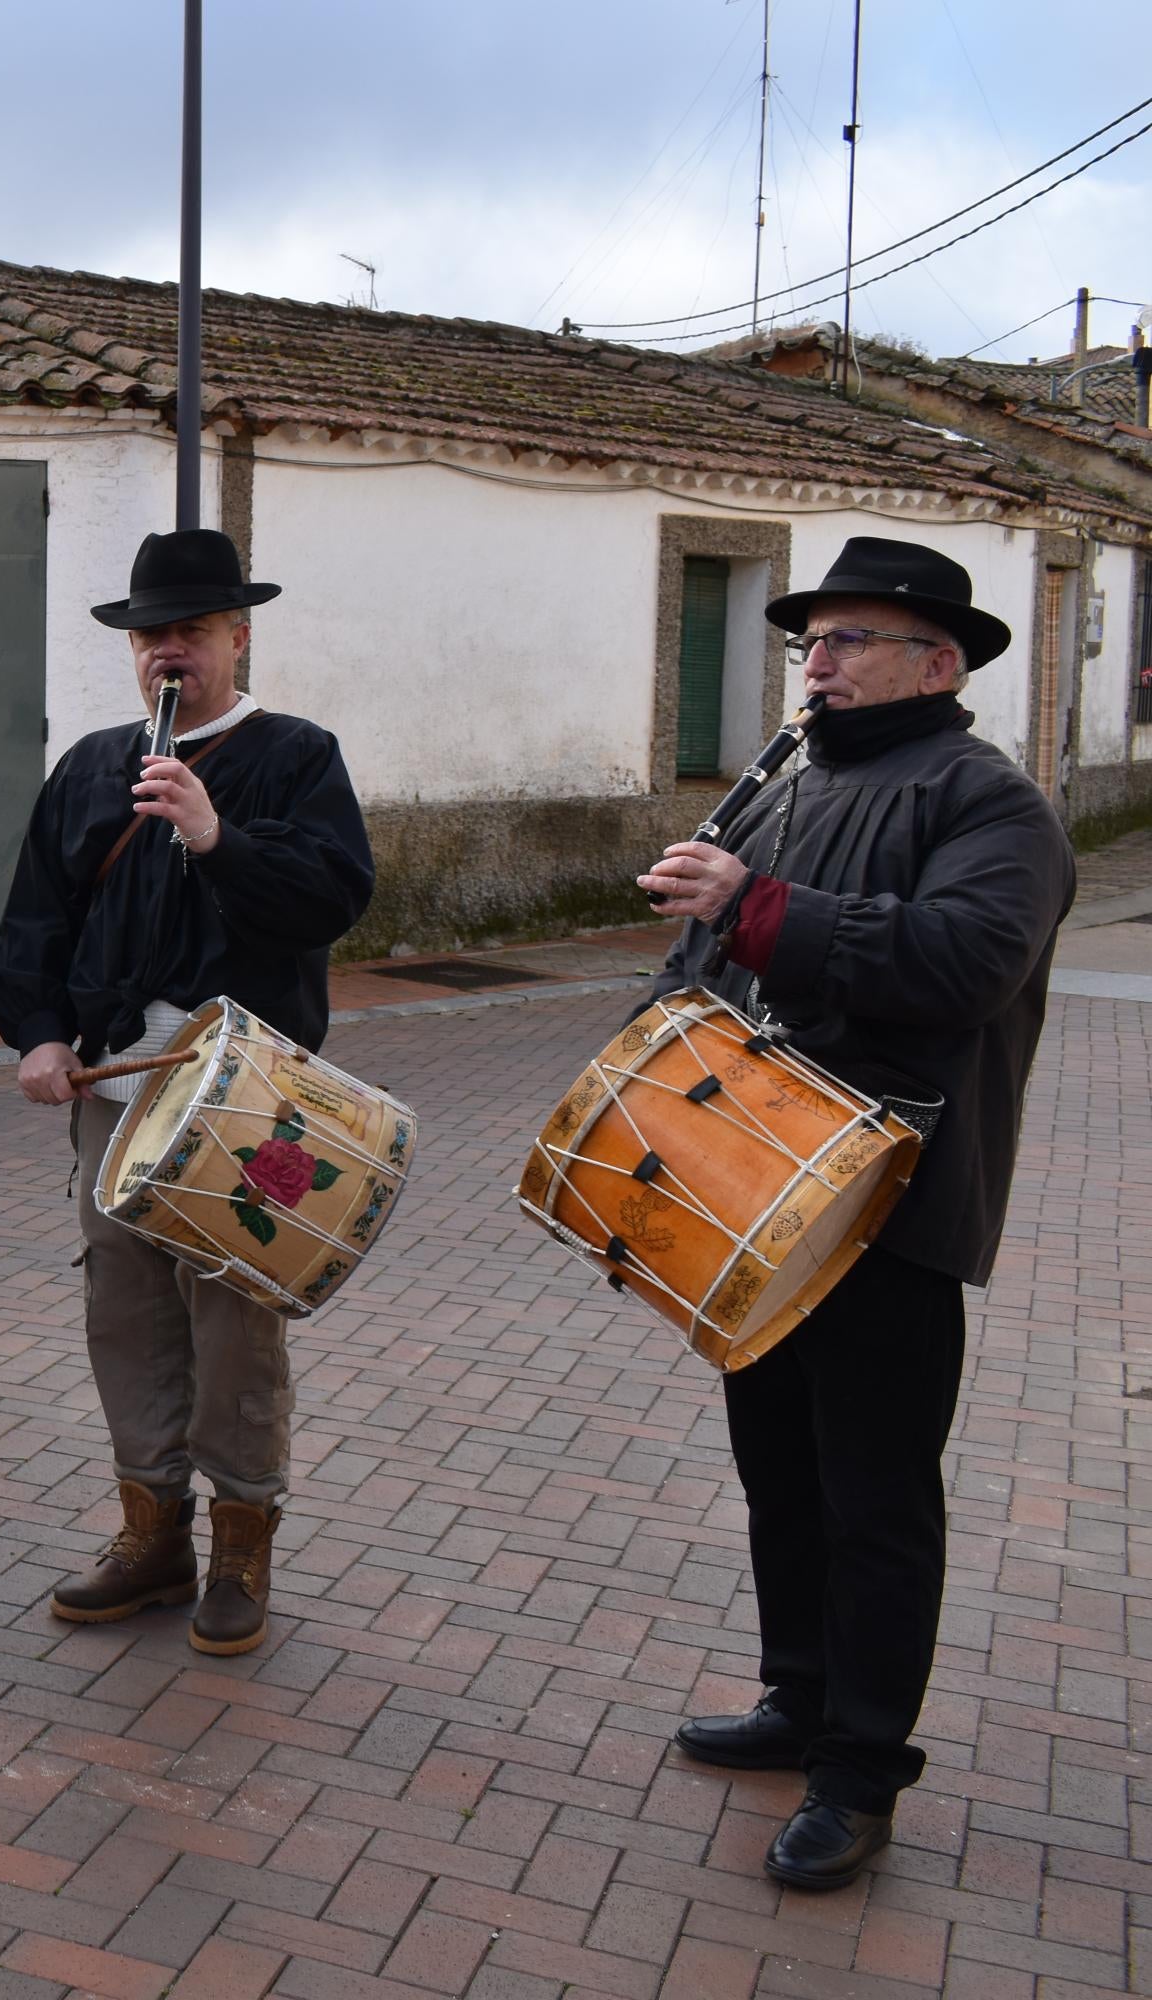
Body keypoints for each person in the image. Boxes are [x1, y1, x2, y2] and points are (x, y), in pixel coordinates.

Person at [641, 536, 1073, 1891]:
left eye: (848, 641)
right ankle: (800, 1700)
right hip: (755, 1194)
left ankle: (861, 1770)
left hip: (889, 1198)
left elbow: (961, 964)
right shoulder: (789, 787)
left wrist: (758, 906)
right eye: (809, 644)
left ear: (935, 663)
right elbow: (710, 953)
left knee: (875, 1499)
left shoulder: (994, 807)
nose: (815, 664)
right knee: (779, 1472)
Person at [0, 527, 373, 1655]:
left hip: (244, 1099)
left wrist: (216, 835)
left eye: (192, 632)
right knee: (128, 1314)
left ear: (237, 637)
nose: (169, 652)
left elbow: (331, 898)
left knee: (236, 1324)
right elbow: (35, 920)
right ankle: (150, 1533)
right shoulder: (92, 764)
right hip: (116, 1093)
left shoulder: (297, 754)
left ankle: (241, 1545)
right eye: (151, 633)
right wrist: (41, 1034)